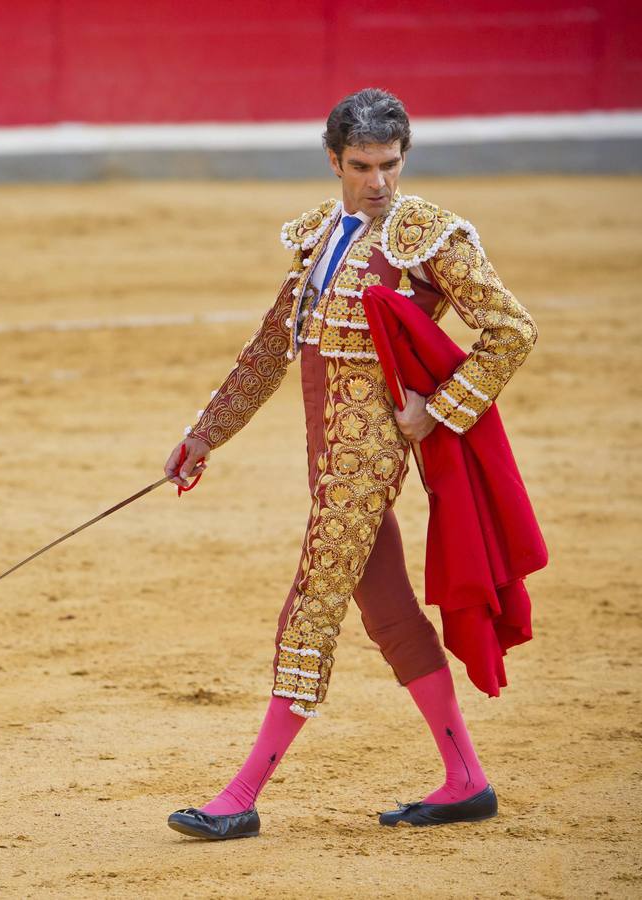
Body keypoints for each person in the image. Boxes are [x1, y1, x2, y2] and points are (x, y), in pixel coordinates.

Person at [162, 88, 539, 839]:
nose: (379, 182)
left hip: (364, 462)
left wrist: (434, 412)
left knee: (313, 600)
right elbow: (274, 347)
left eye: (391, 165)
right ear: (334, 161)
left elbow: (511, 328)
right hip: (324, 457)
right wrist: (206, 434)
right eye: (363, 165)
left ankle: (240, 796)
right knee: (390, 612)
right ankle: (466, 778)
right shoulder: (317, 237)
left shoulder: (429, 238)